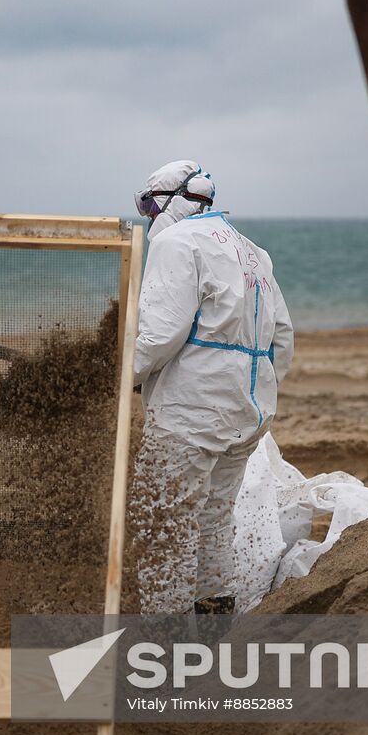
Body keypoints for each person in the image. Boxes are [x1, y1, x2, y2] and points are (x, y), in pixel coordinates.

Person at [130, 159, 294, 615]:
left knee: (163, 520)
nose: (148, 217)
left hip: (192, 412)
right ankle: (215, 619)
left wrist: (121, 375)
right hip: (251, 410)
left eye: (148, 206)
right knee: (213, 517)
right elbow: (283, 339)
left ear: (168, 202)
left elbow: (160, 335)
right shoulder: (253, 252)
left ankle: (163, 638)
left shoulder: (176, 242)